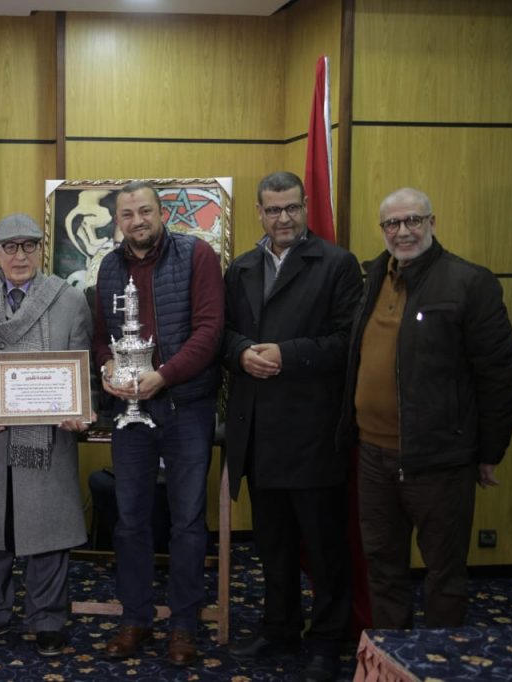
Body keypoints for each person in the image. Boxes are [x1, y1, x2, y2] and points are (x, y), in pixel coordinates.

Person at [338, 187, 512, 630]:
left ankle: (440, 659)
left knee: (444, 573)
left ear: (432, 223)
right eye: (392, 223)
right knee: (383, 567)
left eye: (413, 220)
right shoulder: (372, 277)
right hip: (373, 456)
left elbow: (499, 375)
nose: (403, 231)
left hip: (439, 460)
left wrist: (490, 452)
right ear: (382, 229)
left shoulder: (469, 283)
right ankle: (392, 660)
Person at [222, 171, 361, 681]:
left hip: (313, 432)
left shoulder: (337, 264)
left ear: (304, 206)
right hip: (257, 433)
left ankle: (326, 639)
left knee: (324, 548)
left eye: (292, 208)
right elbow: (222, 333)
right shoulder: (241, 267)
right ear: (259, 213)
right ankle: (279, 628)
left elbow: (349, 342)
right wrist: (241, 352)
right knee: (272, 545)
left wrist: (287, 355)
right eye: (273, 210)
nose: (283, 218)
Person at [0, 213, 92, 657]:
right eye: (10, 246)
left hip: (49, 435)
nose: (20, 255)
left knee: (47, 531)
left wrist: (79, 408)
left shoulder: (69, 299)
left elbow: (81, 364)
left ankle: (48, 619)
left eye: (29, 245)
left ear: (41, 250)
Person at [94, 181, 224, 666]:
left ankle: (184, 626)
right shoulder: (109, 267)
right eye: (127, 214)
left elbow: (209, 330)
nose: (137, 221)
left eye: (145, 211)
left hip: (186, 406)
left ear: (162, 212)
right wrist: (108, 367)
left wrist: (163, 376)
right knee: (130, 521)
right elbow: (101, 336)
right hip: (130, 411)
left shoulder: (197, 256)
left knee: (187, 521)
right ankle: (136, 620)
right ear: (117, 221)